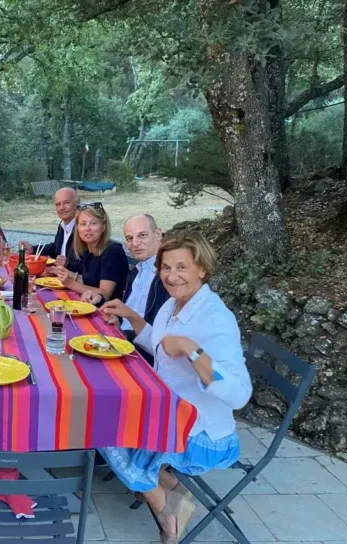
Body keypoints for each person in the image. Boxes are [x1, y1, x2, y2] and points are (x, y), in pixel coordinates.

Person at [99, 230, 253, 544]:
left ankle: (165, 505)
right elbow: (163, 346)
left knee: (100, 426)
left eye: (181, 267)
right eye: (165, 268)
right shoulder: (174, 304)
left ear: (202, 269)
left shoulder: (216, 319)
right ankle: (171, 487)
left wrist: (193, 350)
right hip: (170, 411)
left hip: (203, 433)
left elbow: (239, 394)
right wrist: (130, 317)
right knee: (103, 410)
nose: (171, 276)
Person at [83, 213, 170, 365]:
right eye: (129, 238)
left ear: (157, 234)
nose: (135, 243)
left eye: (142, 235)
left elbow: (159, 339)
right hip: (121, 340)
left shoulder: (167, 277)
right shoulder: (136, 272)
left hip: (143, 356)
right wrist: (100, 301)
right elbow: (126, 313)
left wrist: (124, 333)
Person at [54, 203, 129, 301]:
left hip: (109, 313)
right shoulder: (88, 249)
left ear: (103, 227)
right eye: (83, 224)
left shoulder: (113, 252)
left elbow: (105, 294)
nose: (87, 229)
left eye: (93, 223)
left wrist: (70, 283)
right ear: (77, 228)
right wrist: (67, 274)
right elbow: (90, 280)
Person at [18, 187, 79, 267]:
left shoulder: (83, 229)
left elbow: (90, 265)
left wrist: (68, 264)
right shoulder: (62, 225)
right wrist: (33, 249)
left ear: (77, 203)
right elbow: (55, 248)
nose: (62, 208)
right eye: (58, 204)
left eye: (66, 202)